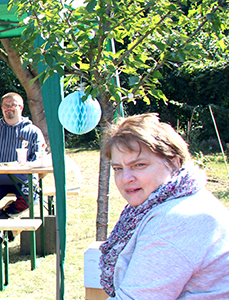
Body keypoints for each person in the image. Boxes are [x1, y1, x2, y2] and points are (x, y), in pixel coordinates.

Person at [98, 113, 229, 299]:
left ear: (173, 163)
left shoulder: (177, 219)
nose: (126, 179)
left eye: (139, 165)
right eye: (118, 168)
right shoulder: (181, 197)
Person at [0, 92, 45, 221]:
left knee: (31, 198)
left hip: (23, 179)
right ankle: (6, 226)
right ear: (2, 108)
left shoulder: (33, 131)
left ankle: (9, 212)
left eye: (13, 105)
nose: (9, 108)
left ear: (21, 107)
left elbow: (38, 156)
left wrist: (27, 167)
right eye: (5, 105)